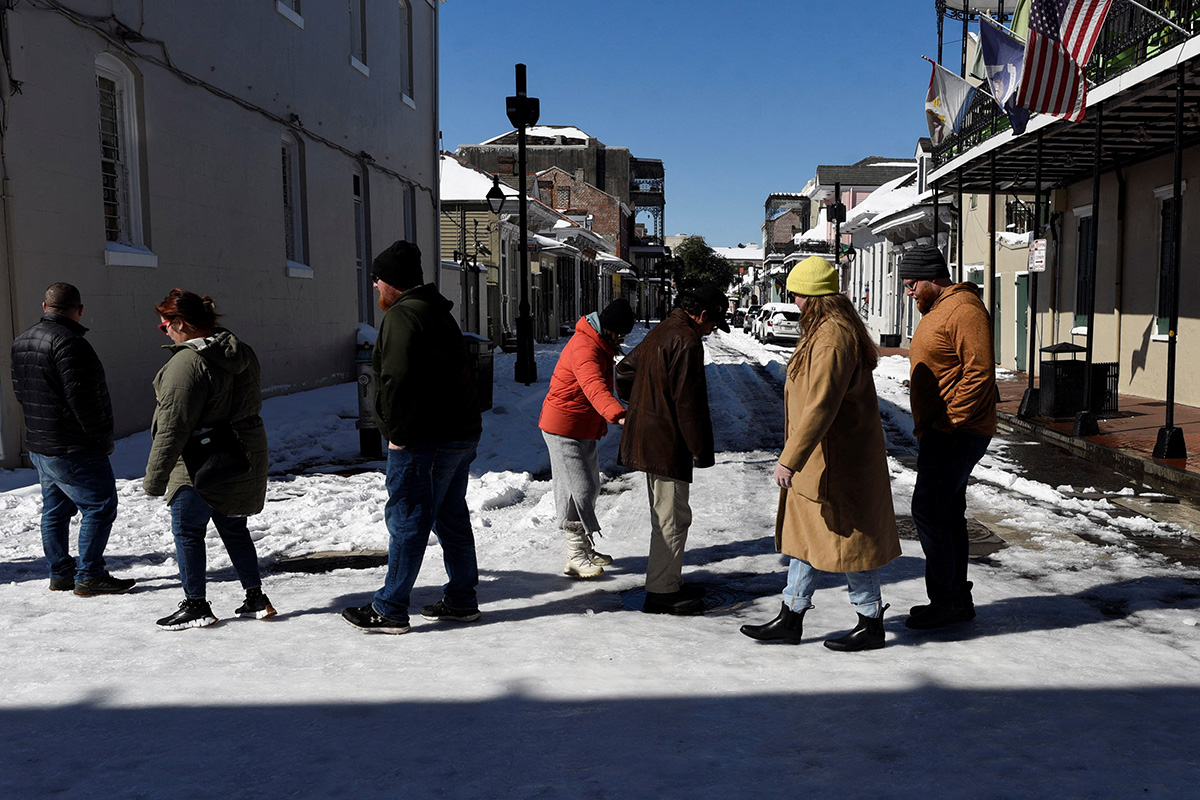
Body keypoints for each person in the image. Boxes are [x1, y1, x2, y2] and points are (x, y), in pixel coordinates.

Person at [739, 257, 900, 650]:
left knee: (849, 543)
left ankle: (870, 622)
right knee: (807, 538)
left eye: (796, 293)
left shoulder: (831, 337)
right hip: (824, 460)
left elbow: (820, 405)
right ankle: (790, 616)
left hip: (836, 463)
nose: (793, 300)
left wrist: (789, 458)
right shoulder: (826, 331)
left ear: (812, 296)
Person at [342, 240, 483, 634]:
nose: (374, 287)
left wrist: (399, 434)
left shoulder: (405, 316)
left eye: (377, 280)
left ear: (393, 283)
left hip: (426, 439)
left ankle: (389, 609)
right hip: (457, 434)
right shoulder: (437, 313)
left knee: (408, 518)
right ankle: (461, 599)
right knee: (450, 516)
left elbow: (399, 379)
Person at [144, 289, 274, 630]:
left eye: (165, 326)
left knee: (187, 530)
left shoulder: (187, 363)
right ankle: (255, 597)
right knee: (233, 526)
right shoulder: (240, 351)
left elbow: (173, 425)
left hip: (198, 460)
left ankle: (196, 604)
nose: (166, 332)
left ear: (182, 323)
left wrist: (155, 478)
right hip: (239, 454)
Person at [11, 283, 134, 596]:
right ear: (79, 310)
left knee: (55, 511)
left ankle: (60, 573)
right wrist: (101, 439)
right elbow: (86, 401)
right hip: (73, 447)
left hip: (41, 444)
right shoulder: (71, 343)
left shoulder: (22, 340)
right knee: (100, 506)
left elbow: (19, 392)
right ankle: (89, 574)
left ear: (44, 306)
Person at [899, 243, 997, 631]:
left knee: (928, 509)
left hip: (959, 432)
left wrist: (950, 421)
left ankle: (947, 601)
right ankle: (956, 598)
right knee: (947, 512)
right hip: (945, 432)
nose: (908, 291)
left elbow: (979, 372)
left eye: (911, 284)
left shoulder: (964, 310)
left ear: (931, 277)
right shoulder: (941, 309)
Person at [616, 283, 727, 615]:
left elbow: (624, 371)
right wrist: (701, 451)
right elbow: (689, 404)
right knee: (672, 518)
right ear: (703, 315)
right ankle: (662, 590)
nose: (710, 331)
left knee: (664, 514)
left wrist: (644, 403)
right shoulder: (687, 339)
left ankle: (667, 582)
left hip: (648, 436)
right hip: (667, 442)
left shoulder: (663, 330)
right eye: (712, 324)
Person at [539, 298, 635, 578]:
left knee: (590, 486)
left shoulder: (598, 342)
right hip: (563, 427)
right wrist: (618, 414)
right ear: (610, 330)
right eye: (621, 334)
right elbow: (594, 387)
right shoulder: (585, 347)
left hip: (581, 427)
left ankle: (583, 547)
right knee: (577, 490)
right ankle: (575, 555)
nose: (622, 340)